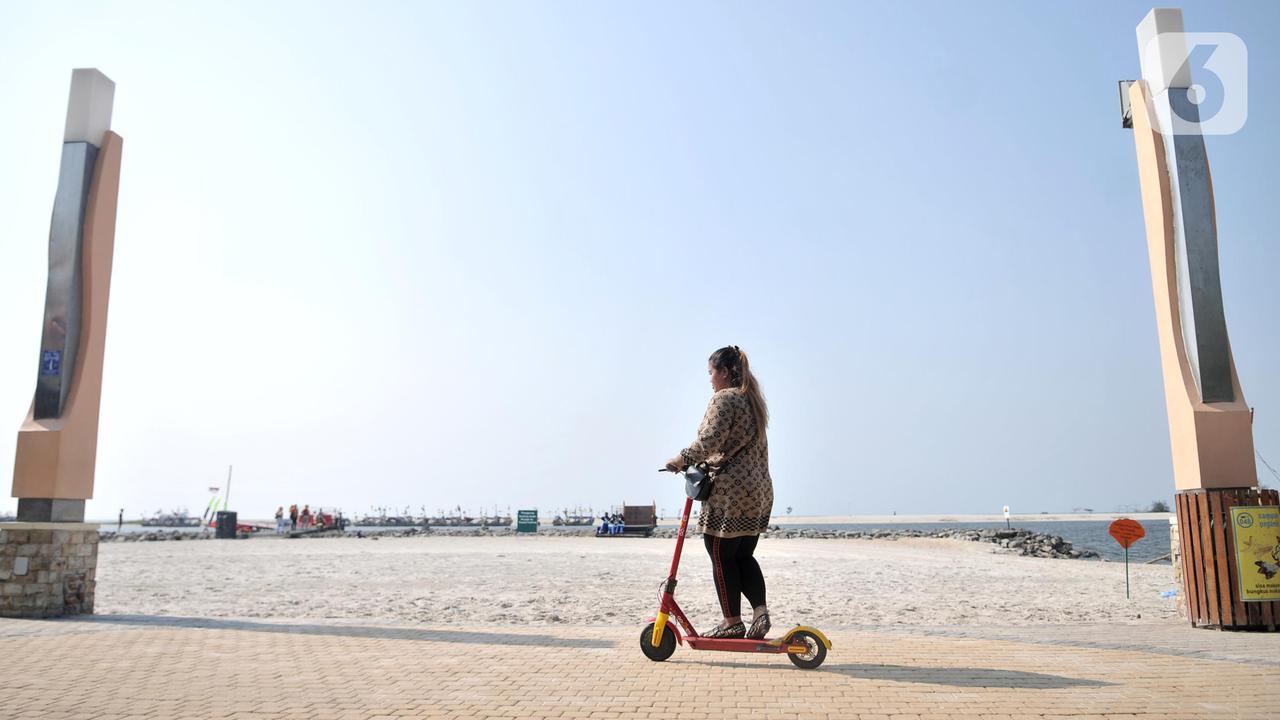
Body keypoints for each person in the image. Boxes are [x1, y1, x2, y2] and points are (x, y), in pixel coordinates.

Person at [665, 345, 773, 640]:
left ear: (724, 372)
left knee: (719, 553)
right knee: (742, 556)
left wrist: (680, 459)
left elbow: (709, 440)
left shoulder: (725, 398)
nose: (710, 379)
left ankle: (731, 622)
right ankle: (760, 612)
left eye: (711, 372)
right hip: (759, 490)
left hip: (730, 492)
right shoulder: (753, 400)